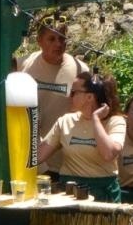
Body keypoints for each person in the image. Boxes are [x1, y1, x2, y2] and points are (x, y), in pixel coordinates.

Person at [36, 73, 126, 202]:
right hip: (70, 193)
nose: (69, 96)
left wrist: (95, 120)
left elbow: (109, 154)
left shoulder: (116, 121)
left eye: (73, 92)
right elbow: (38, 156)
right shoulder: (65, 121)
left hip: (103, 195)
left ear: (89, 97)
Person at [18, 17, 89, 139]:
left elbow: (87, 109)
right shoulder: (22, 65)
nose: (58, 44)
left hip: (65, 148)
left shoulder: (80, 70)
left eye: (62, 38)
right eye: (51, 39)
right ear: (39, 41)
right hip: (30, 144)